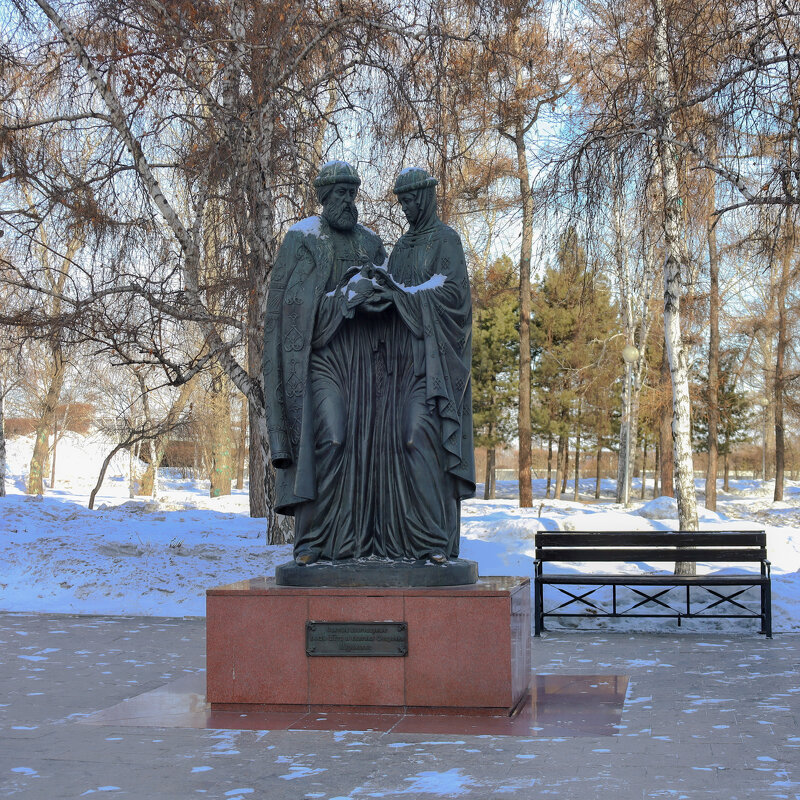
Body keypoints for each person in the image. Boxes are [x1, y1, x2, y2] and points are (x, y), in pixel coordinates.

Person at [263, 160, 389, 564]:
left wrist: (376, 297)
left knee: (365, 448)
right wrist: (342, 300)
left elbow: (392, 297)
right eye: (341, 193)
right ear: (324, 197)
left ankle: (360, 540)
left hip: (365, 363)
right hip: (319, 360)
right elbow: (289, 309)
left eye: (353, 193)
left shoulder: (371, 243)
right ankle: (313, 539)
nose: (349, 201)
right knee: (330, 440)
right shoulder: (302, 238)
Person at [370, 167, 476, 562]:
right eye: (402, 202)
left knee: (417, 439)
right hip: (397, 366)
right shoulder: (400, 247)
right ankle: (402, 542)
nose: (407, 207)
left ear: (427, 196)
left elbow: (453, 298)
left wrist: (402, 296)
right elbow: (393, 293)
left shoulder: (446, 240)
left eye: (412, 199)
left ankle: (434, 540)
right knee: (393, 447)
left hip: (430, 368)